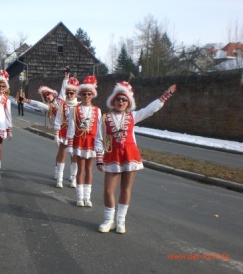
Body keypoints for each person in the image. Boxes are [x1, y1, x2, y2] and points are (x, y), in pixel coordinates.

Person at [95, 81, 176, 234]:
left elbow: (150, 110)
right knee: (108, 190)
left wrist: (165, 96)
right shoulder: (105, 118)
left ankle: (120, 221)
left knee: (126, 189)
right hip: (112, 155)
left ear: (128, 102)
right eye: (118, 99)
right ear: (113, 100)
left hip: (130, 155)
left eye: (124, 99)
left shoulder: (133, 116)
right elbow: (99, 138)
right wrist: (99, 157)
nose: (121, 102)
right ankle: (108, 220)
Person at [23, 69, 69, 180]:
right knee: (61, 151)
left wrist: (66, 77)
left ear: (53, 94)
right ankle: (57, 172)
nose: (47, 96)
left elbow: (64, 88)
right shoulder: (48, 107)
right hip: (60, 129)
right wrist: (27, 101)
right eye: (45, 96)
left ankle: (73, 175)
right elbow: (38, 104)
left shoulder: (61, 99)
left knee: (72, 152)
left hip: (69, 127)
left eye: (48, 94)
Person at [66, 75, 101, 207]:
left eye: (89, 94)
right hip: (79, 140)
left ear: (92, 95)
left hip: (91, 142)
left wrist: (99, 148)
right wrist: (70, 145)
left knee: (89, 169)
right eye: (84, 94)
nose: (86, 96)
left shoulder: (97, 110)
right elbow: (70, 127)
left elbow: (99, 130)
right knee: (80, 169)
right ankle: (80, 197)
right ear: (80, 95)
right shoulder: (74, 109)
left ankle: (88, 197)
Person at [54, 76, 80, 188]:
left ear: (76, 93)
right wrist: (56, 133)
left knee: (74, 156)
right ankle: (59, 178)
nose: (69, 95)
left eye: (72, 93)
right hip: (64, 133)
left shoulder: (79, 106)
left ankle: (73, 177)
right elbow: (58, 120)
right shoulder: (63, 105)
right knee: (62, 154)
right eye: (68, 93)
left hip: (76, 134)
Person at [0, 70, 12, 180]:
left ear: (5, 87)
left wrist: (9, 129)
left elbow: (8, 115)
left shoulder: (6, 100)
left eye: (2, 86)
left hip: (1, 125)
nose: (0, 88)